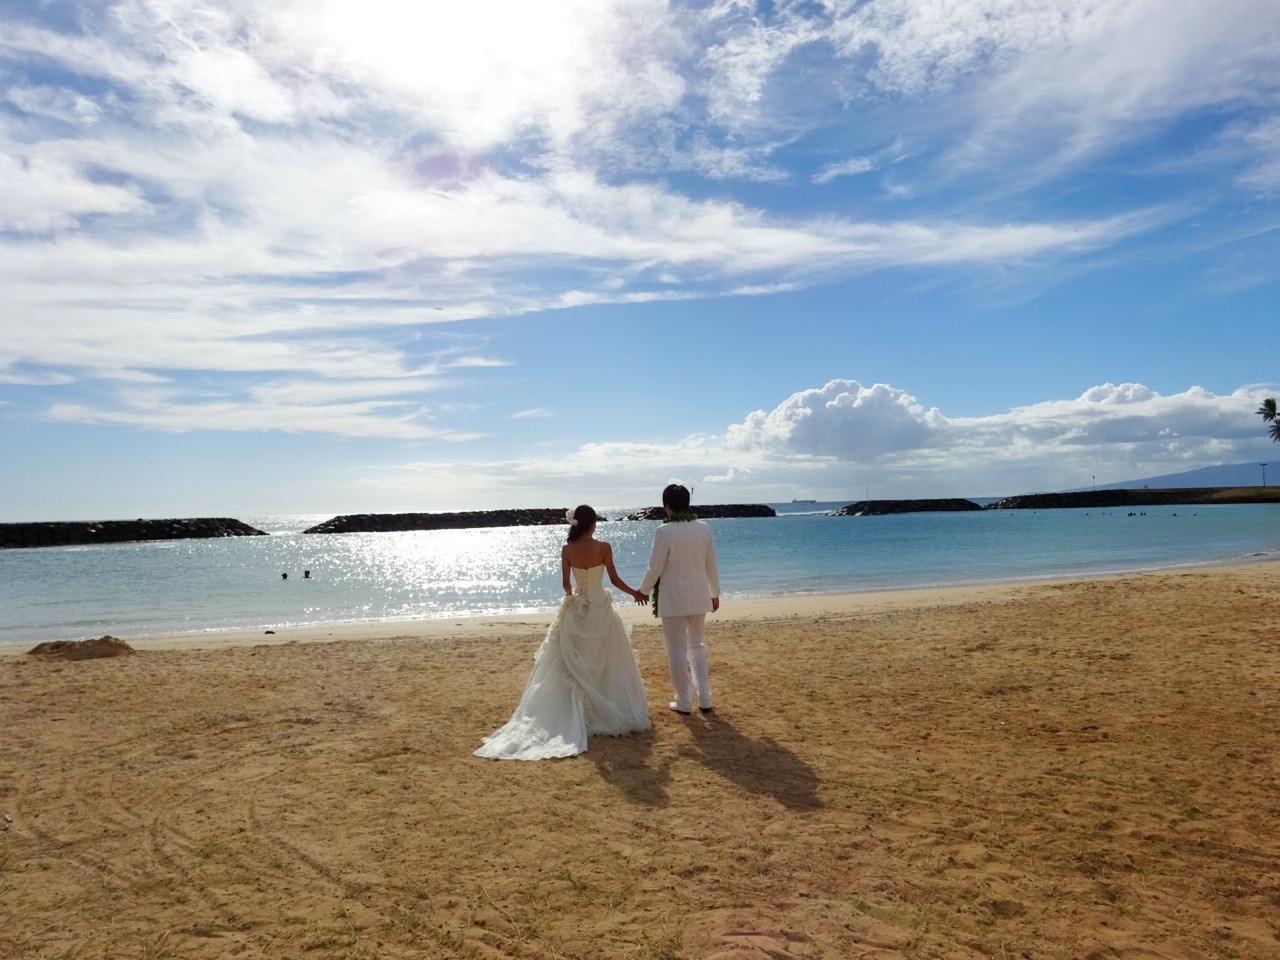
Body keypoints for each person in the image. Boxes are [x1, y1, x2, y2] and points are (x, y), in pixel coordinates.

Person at [475, 505, 651, 760]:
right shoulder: (604, 547)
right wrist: (636, 593)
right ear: (592, 524)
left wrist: (573, 599)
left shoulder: (567, 550)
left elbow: (566, 584)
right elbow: (613, 580)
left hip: (578, 607)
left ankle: (579, 709)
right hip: (599, 608)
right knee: (605, 656)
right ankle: (604, 707)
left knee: (574, 658)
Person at [637, 483, 720, 716]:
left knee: (676, 649)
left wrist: (643, 590)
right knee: (696, 646)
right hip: (699, 595)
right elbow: (711, 564)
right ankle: (705, 699)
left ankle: (683, 701)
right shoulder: (704, 528)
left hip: (674, 598)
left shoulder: (663, 531)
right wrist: (715, 593)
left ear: (666, 506)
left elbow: (655, 567)